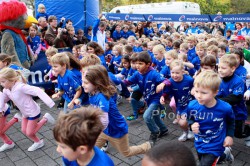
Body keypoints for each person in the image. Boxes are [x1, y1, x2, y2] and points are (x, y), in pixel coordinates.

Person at [82, 65, 151, 157]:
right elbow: (94, 108)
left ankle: (147, 147)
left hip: (116, 130)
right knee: (90, 149)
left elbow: (104, 121)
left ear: (97, 83)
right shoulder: (92, 92)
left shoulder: (102, 97)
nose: (82, 85)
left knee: (126, 153)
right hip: (104, 131)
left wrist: (92, 128)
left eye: (86, 83)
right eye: (82, 82)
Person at [0, 68, 55, 151]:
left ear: (12, 80)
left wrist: (50, 103)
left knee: (29, 132)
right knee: (24, 130)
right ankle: (38, 141)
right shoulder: (6, 90)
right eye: (0, 82)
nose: (1, 84)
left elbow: (37, 90)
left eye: (3, 82)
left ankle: (40, 138)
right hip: (24, 113)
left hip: (33, 112)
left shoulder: (21, 87)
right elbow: (3, 100)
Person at [188, 71, 235, 166]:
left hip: (216, 144)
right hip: (199, 143)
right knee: (201, 158)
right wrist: (191, 125)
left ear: (215, 92)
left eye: (204, 93)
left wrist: (229, 136)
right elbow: (190, 119)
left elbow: (231, 122)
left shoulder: (225, 108)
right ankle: (225, 155)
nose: (199, 96)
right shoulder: (192, 105)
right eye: (196, 91)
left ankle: (221, 154)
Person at [123, 51, 170, 144]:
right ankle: (164, 129)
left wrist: (162, 84)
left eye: (140, 63)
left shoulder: (153, 74)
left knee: (147, 116)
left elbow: (167, 81)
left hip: (156, 99)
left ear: (148, 64)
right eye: (136, 63)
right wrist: (116, 82)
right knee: (155, 116)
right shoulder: (137, 74)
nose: (137, 65)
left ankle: (154, 132)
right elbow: (127, 82)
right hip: (148, 99)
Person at [160, 60, 194, 142]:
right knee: (180, 122)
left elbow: (195, 90)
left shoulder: (189, 80)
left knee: (183, 122)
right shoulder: (170, 82)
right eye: (172, 72)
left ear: (182, 72)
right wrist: (163, 97)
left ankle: (190, 130)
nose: (174, 75)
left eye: (177, 73)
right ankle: (186, 132)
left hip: (190, 105)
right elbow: (167, 92)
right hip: (179, 105)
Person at [217, 54, 248, 140]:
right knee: (224, 131)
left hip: (238, 113)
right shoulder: (219, 80)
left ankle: (248, 133)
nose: (220, 70)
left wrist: (216, 101)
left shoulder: (238, 81)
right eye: (219, 67)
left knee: (238, 134)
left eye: (223, 68)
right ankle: (226, 148)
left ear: (233, 69)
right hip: (225, 111)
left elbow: (235, 98)